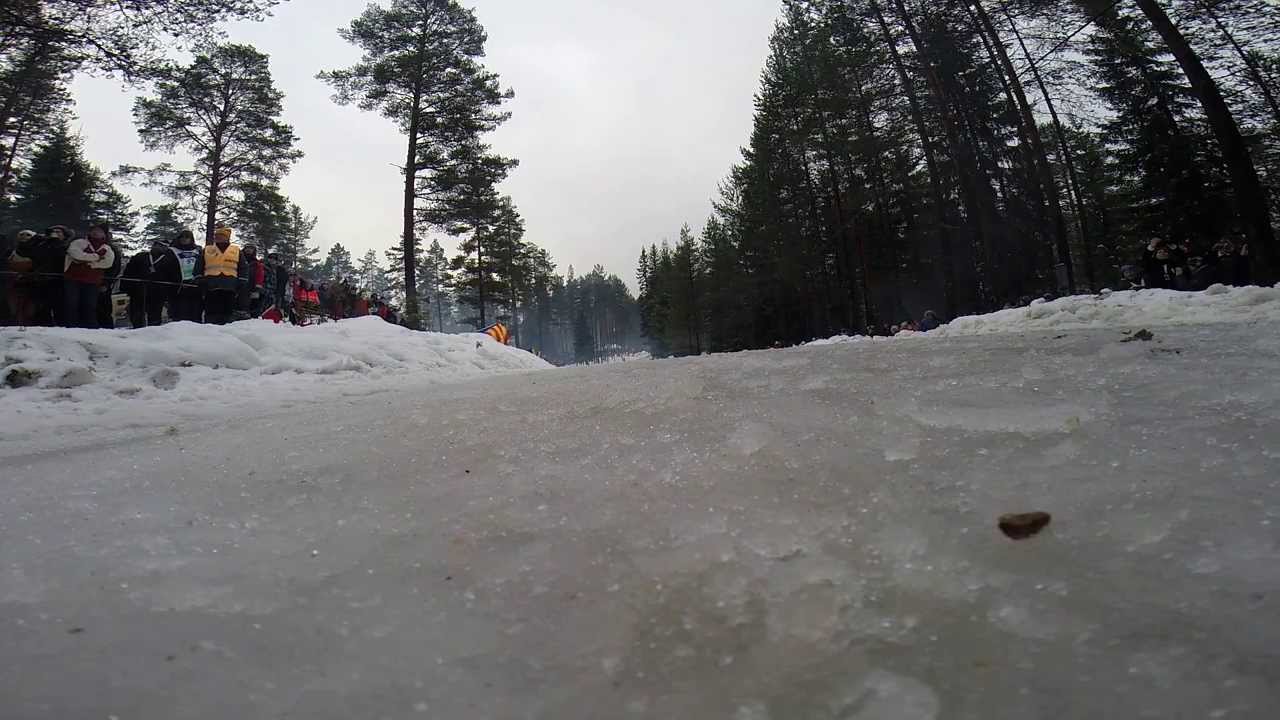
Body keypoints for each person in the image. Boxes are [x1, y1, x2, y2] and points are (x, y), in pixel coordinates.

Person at [62, 223, 116, 329]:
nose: (96, 232)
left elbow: (108, 263)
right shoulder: (79, 243)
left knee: (89, 305)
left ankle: (89, 327)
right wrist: (96, 257)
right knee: (71, 303)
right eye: (94, 230)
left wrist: (91, 263)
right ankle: (71, 326)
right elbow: (76, 254)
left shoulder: (107, 248)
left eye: (99, 231)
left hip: (93, 281)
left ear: (104, 234)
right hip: (73, 278)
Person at [122, 238, 182, 328]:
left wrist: (171, 293)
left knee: (155, 316)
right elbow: (128, 272)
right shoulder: (140, 256)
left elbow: (175, 276)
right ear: (153, 245)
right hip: (138, 291)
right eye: (158, 245)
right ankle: (137, 331)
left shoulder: (170, 260)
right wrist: (127, 288)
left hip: (158, 293)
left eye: (163, 246)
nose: (160, 248)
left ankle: (153, 335)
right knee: (136, 314)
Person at [195, 227, 247, 325]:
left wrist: (242, 280)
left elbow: (243, 267)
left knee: (227, 311)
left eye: (221, 235)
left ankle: (226, 329)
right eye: (217, 235)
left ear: (227, 238)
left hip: (230, 285)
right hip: (211, 284)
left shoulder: (236, 250)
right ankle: (210, 328)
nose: (218, 237)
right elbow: (199, 265)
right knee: (211, 310)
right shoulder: (207, 249)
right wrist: (198, 278)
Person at [169, 230, 204, 322]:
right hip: (179, 285)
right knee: (180, 312)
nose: (184, 239)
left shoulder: (198, 250)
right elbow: (168, 267)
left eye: (187, 237)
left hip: (195, 284)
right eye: (182, 237)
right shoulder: (172, 250)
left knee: (196, 311)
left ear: (191, 239)